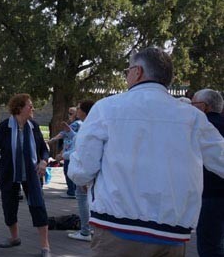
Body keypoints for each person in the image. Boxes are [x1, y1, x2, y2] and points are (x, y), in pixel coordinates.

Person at [68, 48, 224, 257]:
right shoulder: (192, 117)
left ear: (138, 71)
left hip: (117, 228)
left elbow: (82, 170)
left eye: (127, 70)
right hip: (172, 233)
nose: (126, 76)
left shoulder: (107, 108)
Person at [0, 93, 51, 257]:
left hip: (31, 174)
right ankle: (14, 238)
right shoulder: (5, 127)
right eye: (29, 105)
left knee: (38, 207)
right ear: (19, 109)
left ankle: (45, 247)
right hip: (9, 173)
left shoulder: (34, 126)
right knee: (9, 208)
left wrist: (44, 161)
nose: (32, 108)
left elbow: (44, 150)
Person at [191, 89, 224, 257]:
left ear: (204, 107)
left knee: (209, 246)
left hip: (210, 196)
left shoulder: (201, 129)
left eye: (193, 104)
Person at [61, 100, 94, 242]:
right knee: (88, 199)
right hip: (88, 169)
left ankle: (85, 231)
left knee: (82, 198)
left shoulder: (87, 127)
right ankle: (90, 228)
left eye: (78, 108)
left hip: (84, 169)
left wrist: (63, 155)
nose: (76, 110)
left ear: (84, 111)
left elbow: (81, 149)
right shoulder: (90, 125)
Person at [48, 106, 81, 198]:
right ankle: (73, 190)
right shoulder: (79, 123)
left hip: (70, 151)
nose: (69, 115)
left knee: (68, 170)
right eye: (68, 113)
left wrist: (53, 139)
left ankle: (71, 191)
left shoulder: (76, 124)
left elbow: (64, 133)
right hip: (71, 150)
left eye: (71, 113)